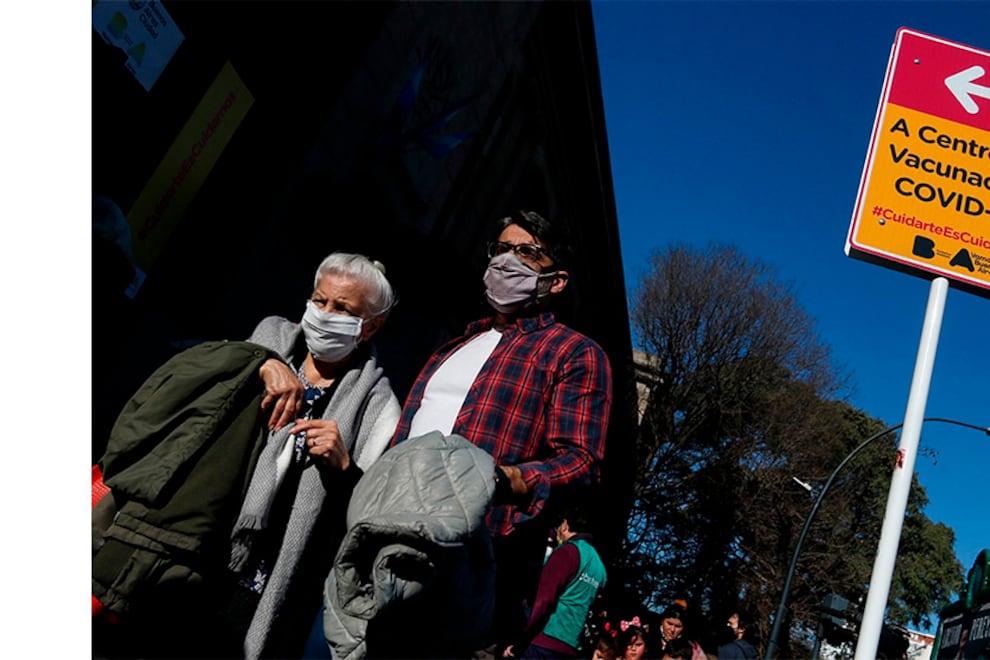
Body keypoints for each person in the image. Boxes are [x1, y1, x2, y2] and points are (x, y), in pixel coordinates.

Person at [93, 252, 400, 660]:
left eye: (342, 308)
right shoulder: (267, 341)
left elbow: (364, 524)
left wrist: (343, 469)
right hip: (189, 544)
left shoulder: (378, 408)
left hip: (253, 578)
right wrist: (261, 363)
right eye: (319, 300)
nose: (324, 314)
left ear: (370, 326)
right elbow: (185, 391)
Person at [389, 209, 614, 652]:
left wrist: (508, 479)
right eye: (502, 248)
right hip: (393, 538)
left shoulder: (574, 353)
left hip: (478, 561)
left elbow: (582, 460)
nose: (507, 260)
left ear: (556, 281)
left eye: (527, 252)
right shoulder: (455, 346)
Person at [503, 505, 607, 658]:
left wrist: (520, 642)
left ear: (565, 524)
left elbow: (544, 601)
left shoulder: (567, 552)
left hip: (545, 640)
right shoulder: (600, 567)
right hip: (572, 647)